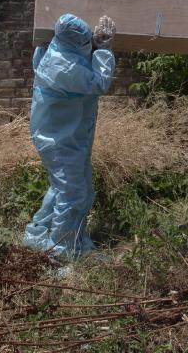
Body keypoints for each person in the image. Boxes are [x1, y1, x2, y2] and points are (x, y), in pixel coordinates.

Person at [24, 13, 116, 259]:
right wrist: (103, 50)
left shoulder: (58, 52)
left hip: (67, 136)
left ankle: (40, 234)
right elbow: (98, 83)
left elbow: (80, 65)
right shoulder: (62, 65)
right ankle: (61, 253)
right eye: (85, 41)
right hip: (60, 141)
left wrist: (93, 45)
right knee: (73, 193)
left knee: (65, 188)